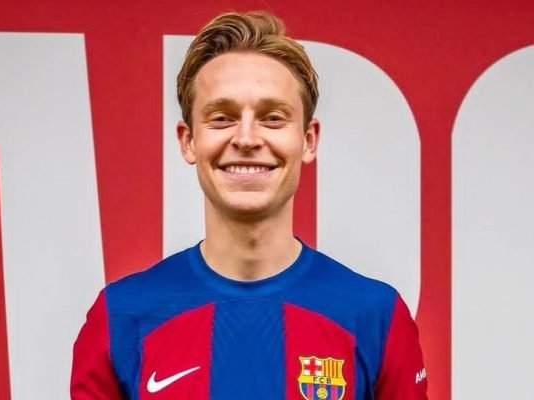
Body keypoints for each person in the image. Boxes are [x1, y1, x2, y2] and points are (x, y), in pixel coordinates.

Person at [71, 11, 428, 400]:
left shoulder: (376, 316)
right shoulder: (120, 317)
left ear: (308, 140)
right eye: (221, 118)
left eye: (272, 118)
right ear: (188, 141)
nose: (246, 138)